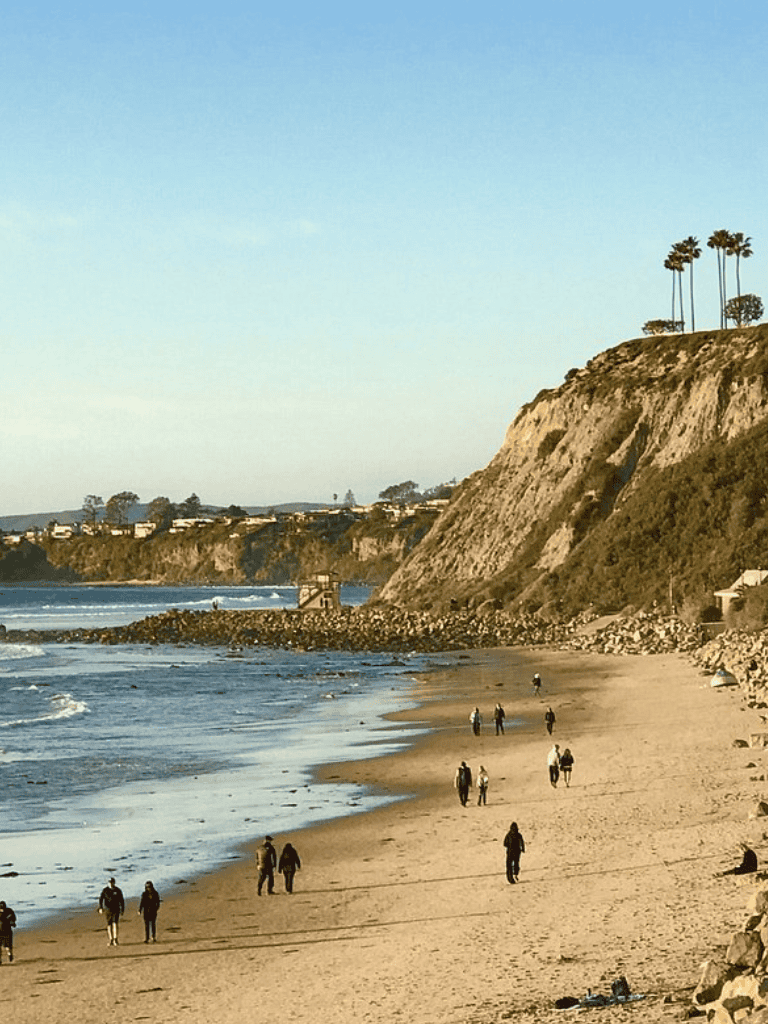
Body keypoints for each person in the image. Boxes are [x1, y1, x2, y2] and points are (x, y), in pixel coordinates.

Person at [99, 877, 125, 946]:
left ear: (114, 882)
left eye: (112, 882)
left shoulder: (118, 890)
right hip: (108, 910)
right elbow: (101, 899)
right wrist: (101, 908)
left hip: (116, 909)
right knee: (109, 925)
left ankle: (115, 939)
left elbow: (121, 900)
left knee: (115, 924)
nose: (110, 883)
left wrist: (122, 909)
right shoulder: (105, 890)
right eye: (109, 882)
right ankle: (110, 939)